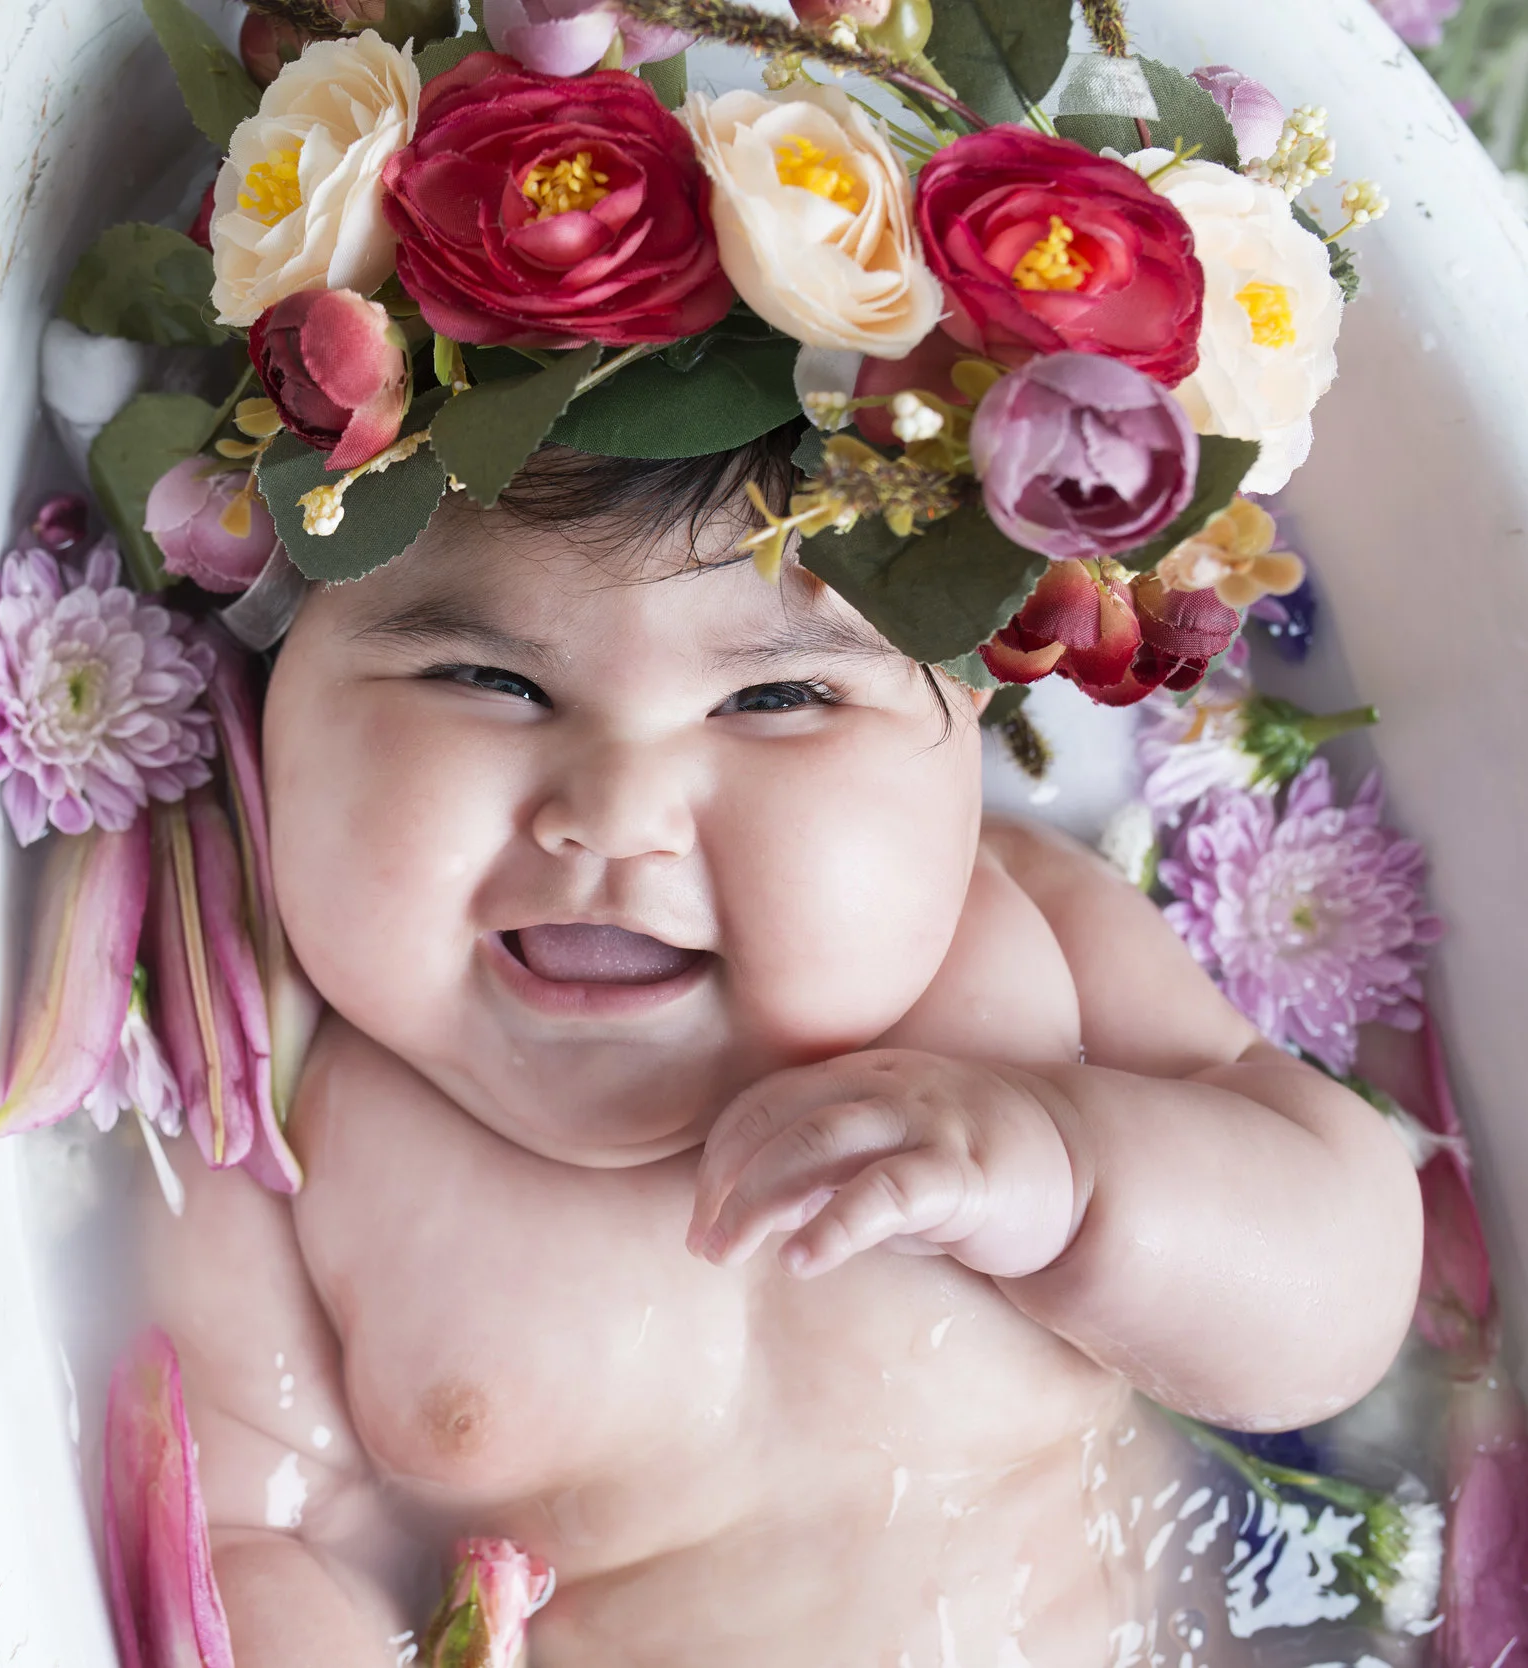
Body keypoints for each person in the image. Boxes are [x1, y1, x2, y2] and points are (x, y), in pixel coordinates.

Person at [139, 433, 1424, 1667]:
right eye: (489, 681)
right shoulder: (278, 1120)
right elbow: (243, 1537)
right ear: (273, 691)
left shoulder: (1023, 943)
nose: (616, 818)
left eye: (776, 696)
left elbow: (1338, 1310)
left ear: (969, 715)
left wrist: (1076, 1174)